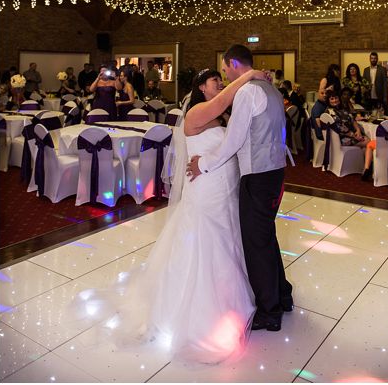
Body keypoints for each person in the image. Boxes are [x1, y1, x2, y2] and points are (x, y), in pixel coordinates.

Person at [90, 67, 268, 362]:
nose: (220, 83)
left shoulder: (220, 115)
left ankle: (232, 296)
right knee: (205, 241)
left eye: (220, 80)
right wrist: (248, 76)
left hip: (225, 188)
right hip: (205, 190)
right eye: (214, 81)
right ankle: (195, 311)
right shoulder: (197, 112)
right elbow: (225, 99)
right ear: (201, 87)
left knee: (228, 237)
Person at [187, 44, 293, 332]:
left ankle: (269, 311)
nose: (225, 76)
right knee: (266, 237)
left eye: (224, 69)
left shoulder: (247, 92)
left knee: (256, 244)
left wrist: (203, 164)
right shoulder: (272, 89)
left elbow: (233, 141)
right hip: (275, 171)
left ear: (233, 63)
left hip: (258, 176)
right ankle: (282, 294)